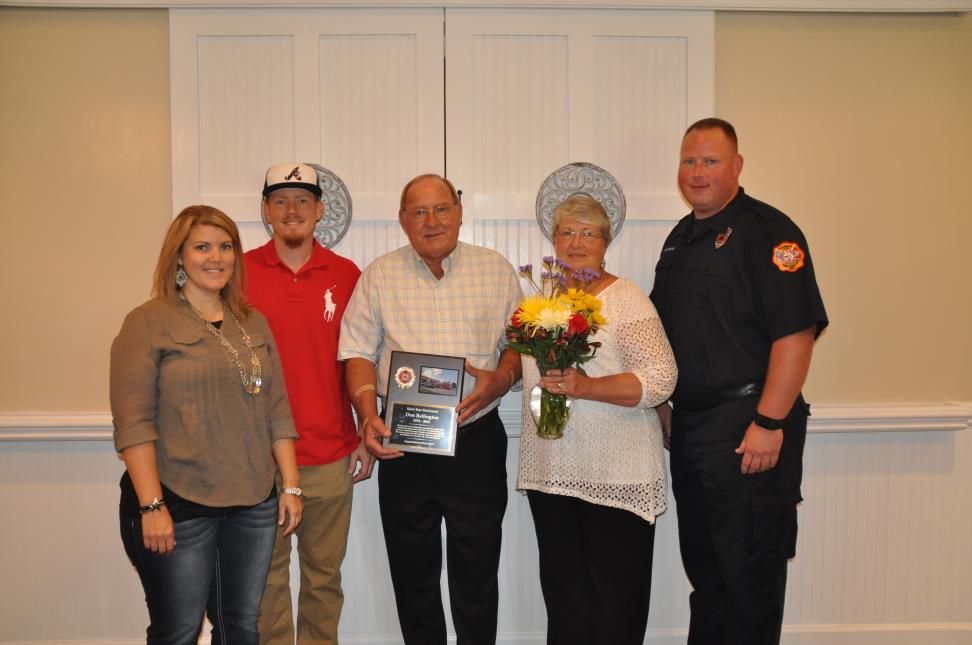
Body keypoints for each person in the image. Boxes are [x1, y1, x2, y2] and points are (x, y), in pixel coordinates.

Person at [649, 118, 828, 645]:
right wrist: (662, 402)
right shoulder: (681, 239)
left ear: (737, 167)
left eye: (710, 161)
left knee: (750, 579)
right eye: (689, 161)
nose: (697, 172)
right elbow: (671, 332)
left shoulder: (769, 231)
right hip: (694, 430)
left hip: (750, 427)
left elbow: (795, 332)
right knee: (708, 578)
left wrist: (769, 421)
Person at [337, 174, 523, 645]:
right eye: (418, 212)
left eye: (441, 209)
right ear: (403, 221)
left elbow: (519, 346)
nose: (431, 221)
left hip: (475, 442)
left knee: (477, 571)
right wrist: (365, 414)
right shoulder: (379, 275)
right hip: (404, 446)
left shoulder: (495, 269)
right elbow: (357, 352)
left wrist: (501, 379)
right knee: (412, 573)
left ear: (459, 212)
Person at [111, 205, 303, 645]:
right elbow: (133, 424)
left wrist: (290, 486)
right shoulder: (147, 322)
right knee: (178, 631)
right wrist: (151, 507)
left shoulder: (253, 322)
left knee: (241, 628)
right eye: (201, 247)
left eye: (225, 246)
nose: (216, 257)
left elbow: (277, 410)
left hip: (253, 503)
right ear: (179, 256)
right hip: (177, 502)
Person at [516, 195, 677, 645]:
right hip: (552, 475)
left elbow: (662, 379)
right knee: (565, 601)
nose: (577, 241)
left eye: (589, 233)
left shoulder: (625, 298)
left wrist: (585, 387)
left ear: (606, 242)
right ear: (553, 240)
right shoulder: (541, 304)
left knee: (615, 605)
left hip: (616, 474)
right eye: (567, 232)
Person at [245, 163, 372, 645]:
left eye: (302, 201)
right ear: (266, 211)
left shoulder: (347, 275)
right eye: (280, 201)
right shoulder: (238, 272)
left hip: (330, 455)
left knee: (323, 581)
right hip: (256, 459)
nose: (292, 210)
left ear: (319, 210)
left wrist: (363, 431)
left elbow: (359, 359)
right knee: (264, 583)